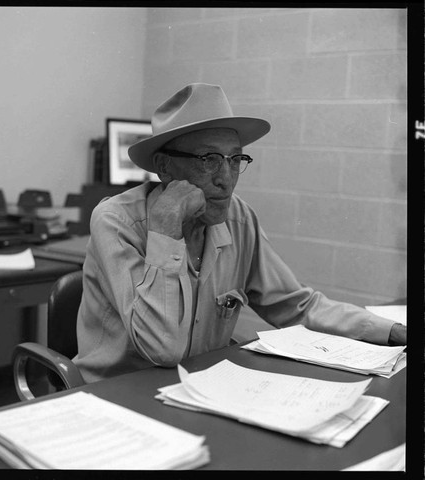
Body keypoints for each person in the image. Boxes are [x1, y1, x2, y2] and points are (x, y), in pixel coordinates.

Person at [74, 83, 406, 383]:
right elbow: (163, 350)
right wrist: (165, 231)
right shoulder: (116, 220)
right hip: (117, 393)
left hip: (199, 387)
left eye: (235, 160)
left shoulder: (238, 218)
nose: (226, 178)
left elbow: (297, 306)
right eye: (209, 159)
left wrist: (391, 330)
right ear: (164, 166)